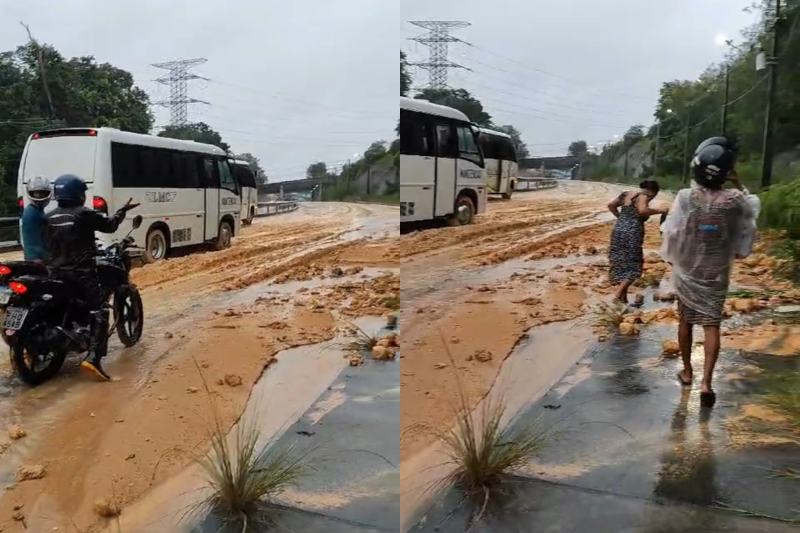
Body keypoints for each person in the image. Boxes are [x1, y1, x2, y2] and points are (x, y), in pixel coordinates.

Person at [660, 137, 756, 407]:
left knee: (685, 321)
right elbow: (749, 220)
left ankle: (688, 372)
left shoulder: (686, 197)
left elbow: (672, 232)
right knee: (712, 324)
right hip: (717, 272)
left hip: (688, 270)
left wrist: (672, 260)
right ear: (727, 172)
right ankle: (707, 383)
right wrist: (738, 182)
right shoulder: (735, 200)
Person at [44, 174, 139, 381]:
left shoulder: (48, 216)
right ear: (78, 194)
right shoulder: (84, 214)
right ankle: (94, 358)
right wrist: (122, 210)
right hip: (81, 274)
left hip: (54, 273)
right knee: (101, 309)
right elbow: (110, 225)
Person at [607, 180, 668, 305]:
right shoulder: (644, 196)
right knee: (634, 266)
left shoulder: (626, 194)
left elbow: (611, 205)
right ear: (654, 192)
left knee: (621, 262)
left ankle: (623, 299)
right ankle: (617, 295)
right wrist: (660, 210)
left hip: (618, 230)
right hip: (633, 233)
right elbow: (642, 210)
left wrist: (621, 218)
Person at [20, 176, 52, 263]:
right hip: (37, 259)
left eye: (42, 193)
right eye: (36, 193)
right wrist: (49, 257)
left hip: (36, 258)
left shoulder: (37, 210)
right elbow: (34, 243)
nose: (39, 196)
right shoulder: (31, 213)